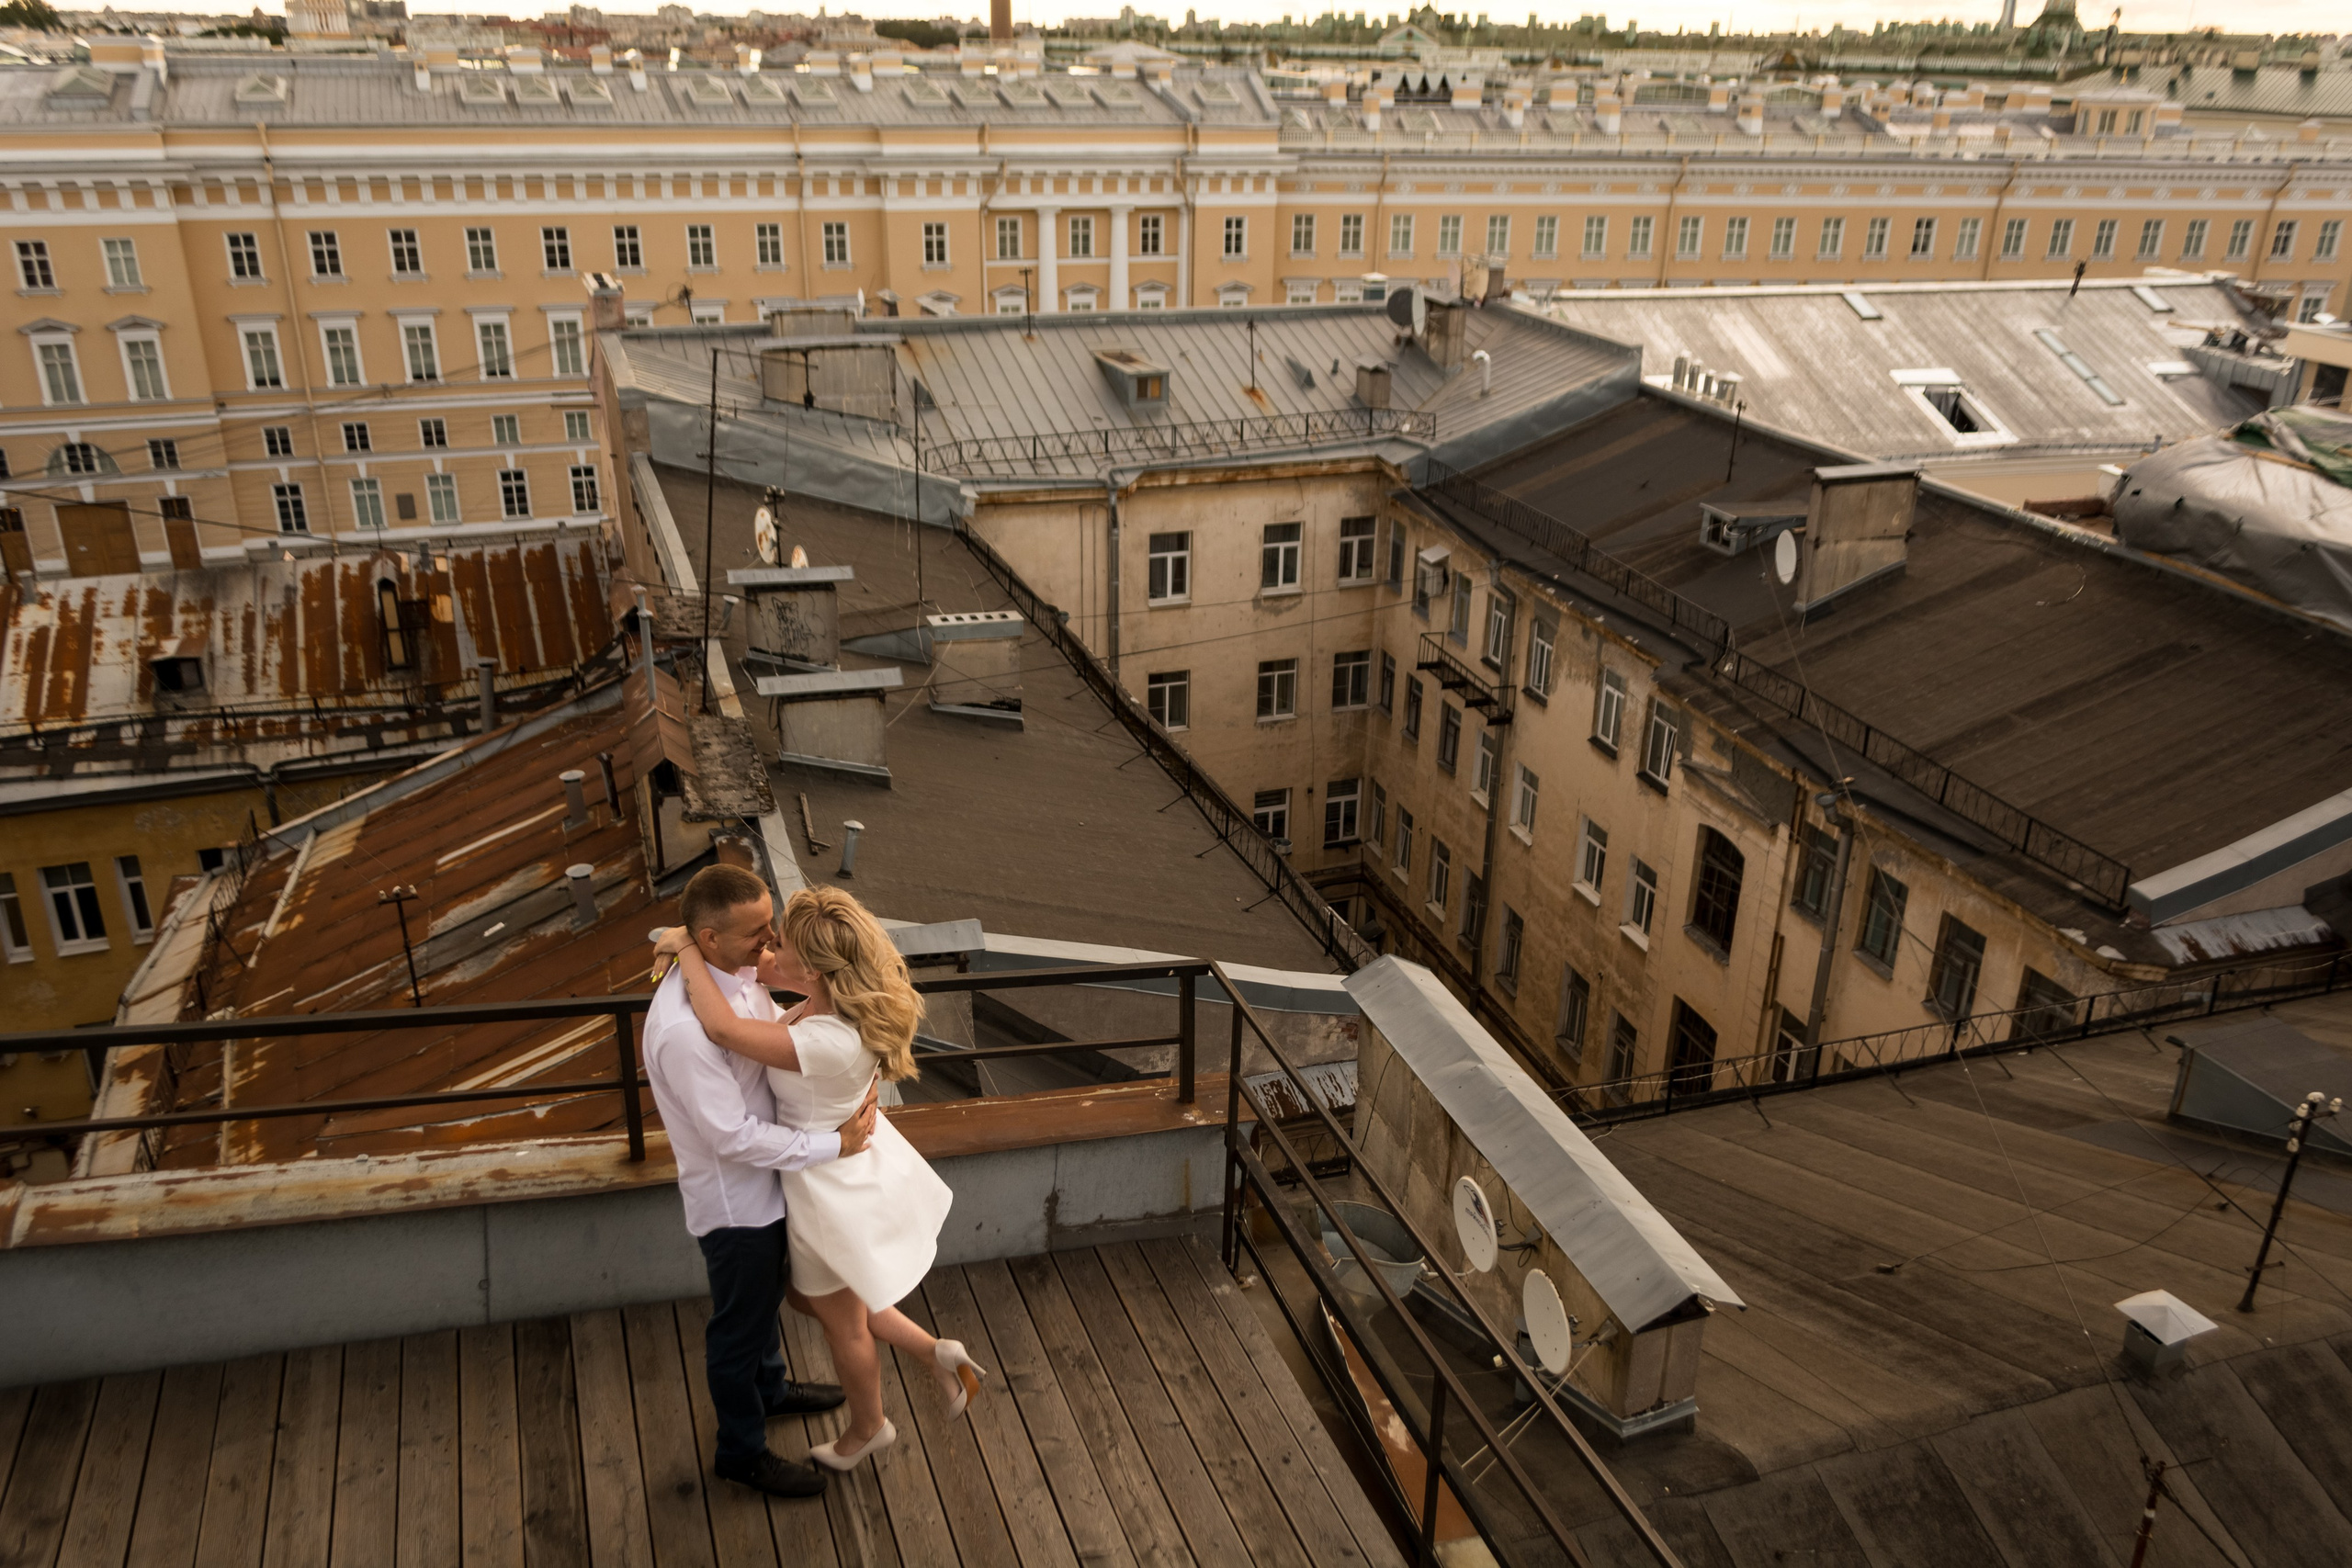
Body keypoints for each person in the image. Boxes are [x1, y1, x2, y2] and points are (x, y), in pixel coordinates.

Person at [653, 884, 986, 1472]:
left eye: (776, 942)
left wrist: (685, 950)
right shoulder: (826, 1002)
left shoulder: (823, 1038)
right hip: (827, 1174)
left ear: (811, 970)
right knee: (818, 1299)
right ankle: (936, 1352)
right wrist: (692, 940)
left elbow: (727, 1031)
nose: (766, 950)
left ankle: (867, 1427)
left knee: (841, 1322)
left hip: (825, 1186)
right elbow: (745, 976)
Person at [642, 863, 879, 1500]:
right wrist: (835, 1143)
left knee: (764, 1305)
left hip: (771, 1187)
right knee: (737, 1328)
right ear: (710, 938)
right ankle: (741, 1451)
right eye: (757, 932)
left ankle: (770, 1389)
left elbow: (771, 1034)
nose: (770, 942)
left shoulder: (734, 974)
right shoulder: (685, 1032)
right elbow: (732, 1136)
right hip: (737, 1206)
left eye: (771, 925)